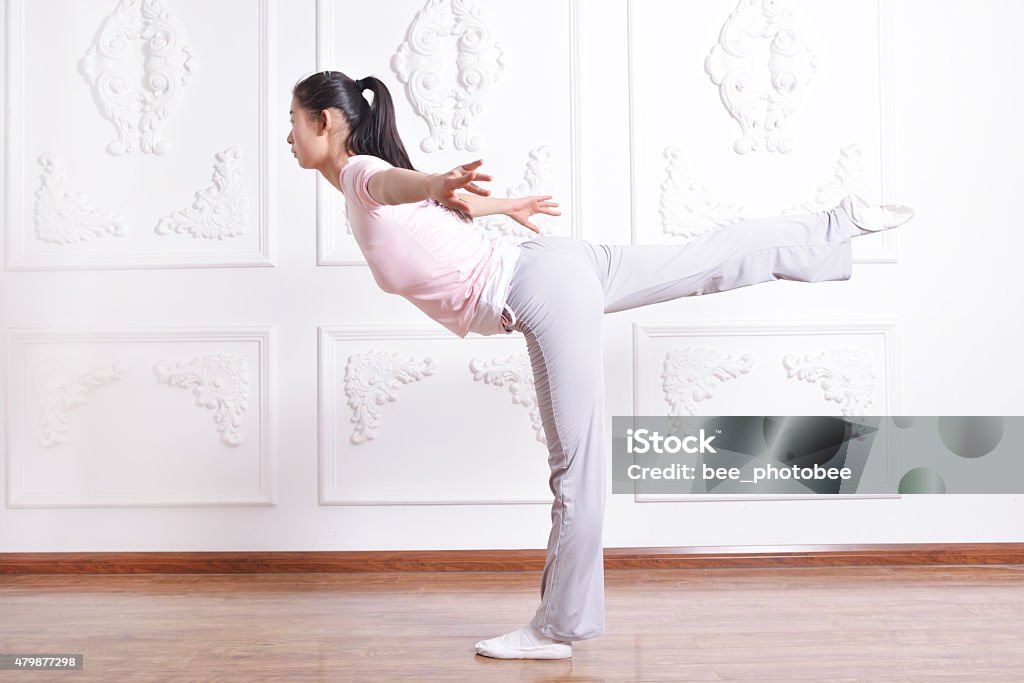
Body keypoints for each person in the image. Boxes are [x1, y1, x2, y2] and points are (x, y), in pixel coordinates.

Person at [287, 70, 916, 660]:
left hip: (537, 287)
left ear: (324, 123)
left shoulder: (361, 176)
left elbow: (401, 185)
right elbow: (435, 204)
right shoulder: (367, 187)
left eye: (293, 121)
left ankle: (556, 629)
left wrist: (431, 183)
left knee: (576, 465)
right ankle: (835, 224)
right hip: (553, 263)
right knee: (700, 261)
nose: (287, 137)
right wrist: (502, 206)